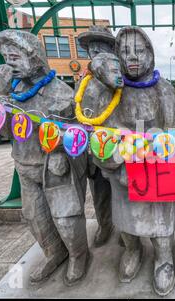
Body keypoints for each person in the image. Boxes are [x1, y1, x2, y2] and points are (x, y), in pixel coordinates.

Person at [0, 30, 89, 285]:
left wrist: (61, 152)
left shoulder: (61, 93)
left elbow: (78, 136)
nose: (10, 63)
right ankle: (54, 253)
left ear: (34, 57)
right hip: (24, 165)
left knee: (66, 218)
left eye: (15, 56)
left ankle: (79, 255)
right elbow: (1, 130)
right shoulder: (11, 91)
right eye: (6, 57)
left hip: (54, 167)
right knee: (35, 217)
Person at [93, 26, 175, 296]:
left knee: (160, 225)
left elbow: (173, 132)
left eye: (140, 50)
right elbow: (102, 130)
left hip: (156, 172)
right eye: (126, 50)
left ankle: (164, 259)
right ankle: (133, 250)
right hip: (123, 172)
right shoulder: (112, 90)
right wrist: (120, 147)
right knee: (127, 221)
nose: (133, 57)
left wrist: (157, 139)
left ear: (150, 53)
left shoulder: (163, 89)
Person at [77, 26, 116, 247]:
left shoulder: (121, 81)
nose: (96, 51)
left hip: (120, 148)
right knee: (99, 193)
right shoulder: (84, 82)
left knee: (122, 193)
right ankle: (105, 225)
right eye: (92, 48)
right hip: (93, 149)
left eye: (102, 46)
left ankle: (124, 230)